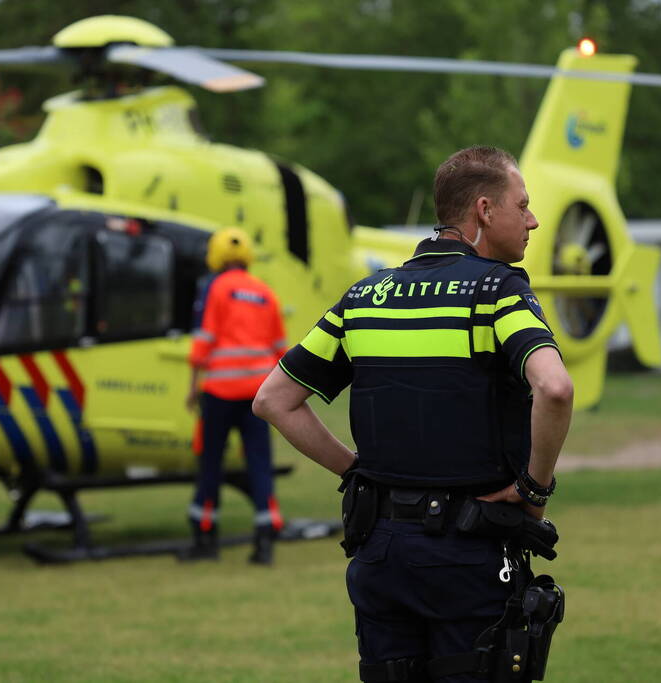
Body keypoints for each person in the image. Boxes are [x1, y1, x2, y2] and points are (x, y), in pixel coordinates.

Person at [254, 146, 573, 681]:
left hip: (381, 555)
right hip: (468, 555)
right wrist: (534, 490)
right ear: (484, 210)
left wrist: (356, 473)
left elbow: (273, 399)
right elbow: (556, 388)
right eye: (523, 205)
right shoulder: (497, 290)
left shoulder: (365, 296)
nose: (533, 220)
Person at [186, 227, 287, 565]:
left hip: (219, 392)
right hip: (258, 394)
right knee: (259, 463)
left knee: (211, 462)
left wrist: (192, 386)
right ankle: (266, 534)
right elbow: (280, 348)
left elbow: (204, 339)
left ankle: (204, 536)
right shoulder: (264, 292)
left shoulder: (214, 288)